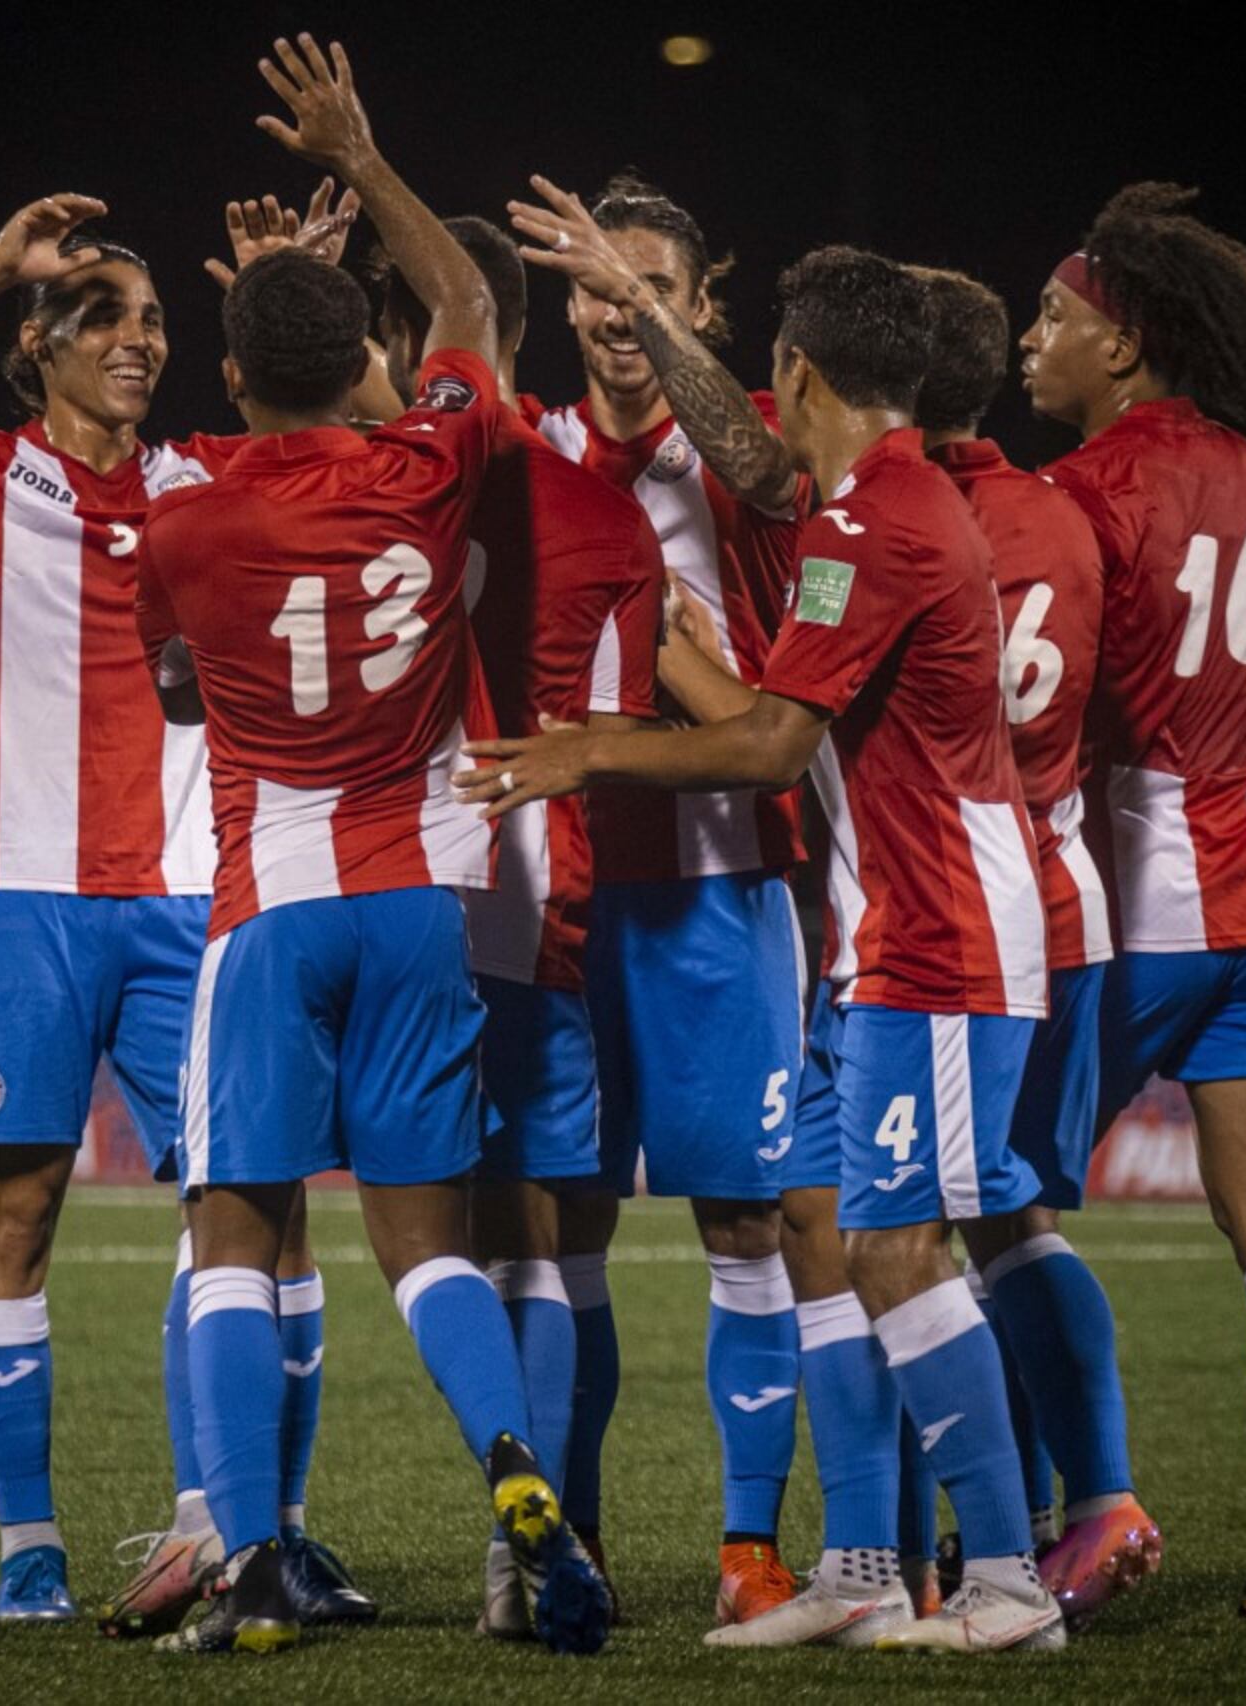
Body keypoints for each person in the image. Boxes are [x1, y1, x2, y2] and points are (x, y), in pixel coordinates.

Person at [462, 245, 1072, 1654]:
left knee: (901, 1248)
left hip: (944, 933)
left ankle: (1004, 1581)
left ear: (794, 373)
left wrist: (586, 744)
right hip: (882, 933)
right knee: (849, 1234)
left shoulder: (873, 525)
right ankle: (860, 1563)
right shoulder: (883, 500)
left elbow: (768, 744)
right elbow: (767, 697)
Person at [0, 173, 359, 1622]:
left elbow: (349, 438)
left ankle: (243, 1526)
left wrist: (283, 303)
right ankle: (29, 1547)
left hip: (192, 907)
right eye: (103, 314)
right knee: (20, 1215)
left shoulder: (200, 479)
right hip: (19, 902)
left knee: (251, 1211)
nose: (139, 338)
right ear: (38, 343)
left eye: (158, 318)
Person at [134, 34, 608, 1657]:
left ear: (240, 371)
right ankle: (514, 1477)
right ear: (362, 365)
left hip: (272, 904)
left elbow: (175, 676)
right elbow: (469, 320)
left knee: (235, 1234)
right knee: (429, 1245)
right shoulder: (427, 466)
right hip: (422, 897)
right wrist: (369, 151)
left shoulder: (187, 510)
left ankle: (258, 1557)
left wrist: (266, 310)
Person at [1021, 183, 1246, 1622]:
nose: (1033, 342)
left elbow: (1050, 709)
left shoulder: (1084, 495)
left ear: (1129, 342)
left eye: (1057, 320)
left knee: (992, 1206)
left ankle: (1073, 1514)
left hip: (1138, 914)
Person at [501, 171, 810, 1626]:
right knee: (558, 1231)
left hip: (716, 892)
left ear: (698, 304)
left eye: (648, 289)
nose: (614, 312)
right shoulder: (531, 447)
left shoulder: (737, 451)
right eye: (591, 286)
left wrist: (641, 307)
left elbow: (760, 464)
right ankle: (577, 1541)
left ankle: (750, 1550)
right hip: (556, 898)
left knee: (743, 1222)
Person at [368, 215, 666, 1638]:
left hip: (394, 894)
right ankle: (537, 1545)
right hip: (545, 892)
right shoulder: (605, 514)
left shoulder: (377, 485)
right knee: (553, 1244)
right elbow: (612, 732)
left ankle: (251, 1528)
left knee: (404, 1241)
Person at [902, 264, 1157, 1626]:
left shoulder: (909, 520)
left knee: (925, 1232)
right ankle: (1085, 1503)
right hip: (1070, 907)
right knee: (1012, 1219)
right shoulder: (1060, 513)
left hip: (959, 915)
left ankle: (1013, 1532)